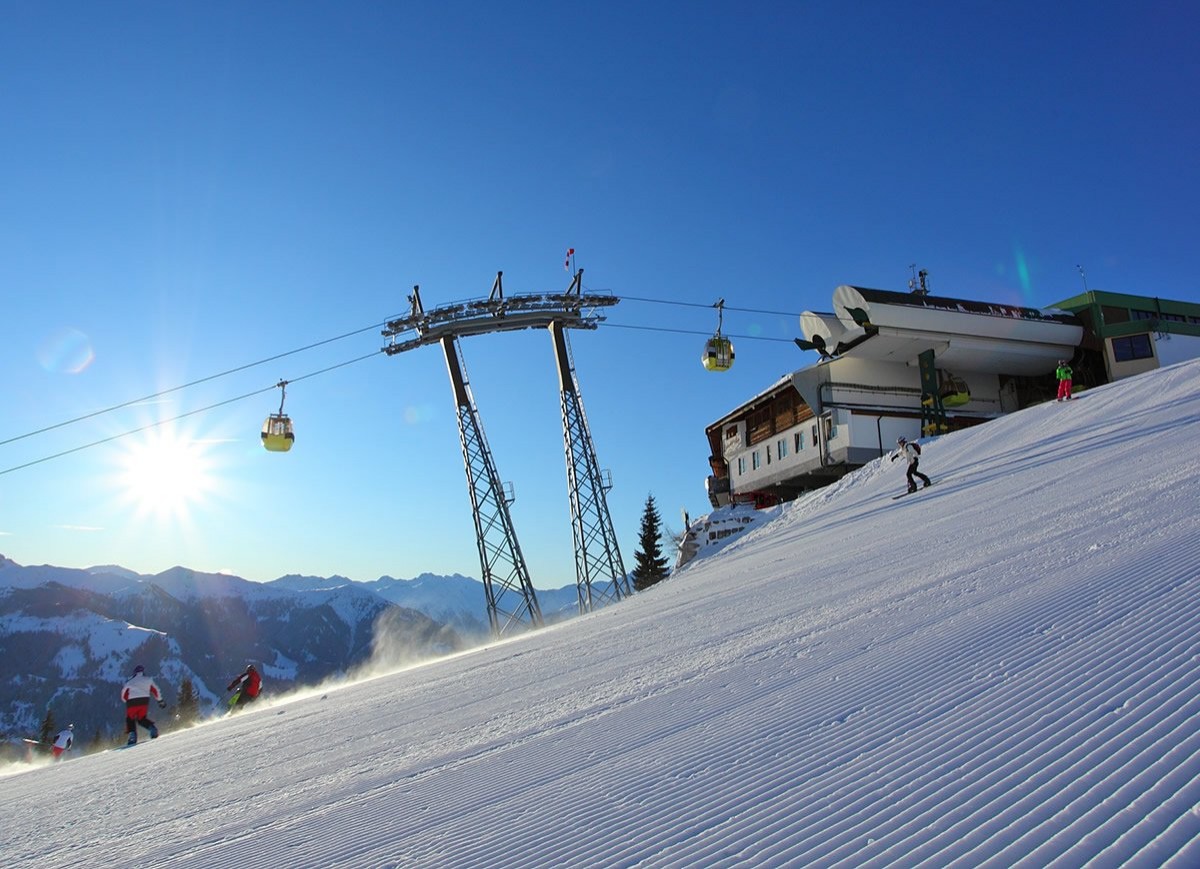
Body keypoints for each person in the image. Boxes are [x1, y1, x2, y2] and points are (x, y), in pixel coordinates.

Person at [121, 664, 165, 745]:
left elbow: (124, 695)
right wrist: (160, 701)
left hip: (132, 702)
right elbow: (155, 690)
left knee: (130, 719)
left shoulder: (130, 682)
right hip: (144, 701)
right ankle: (152, 729)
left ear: (135, 673)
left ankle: (132, 736)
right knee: (141, 719)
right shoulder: (148, 680)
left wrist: (126, 700)